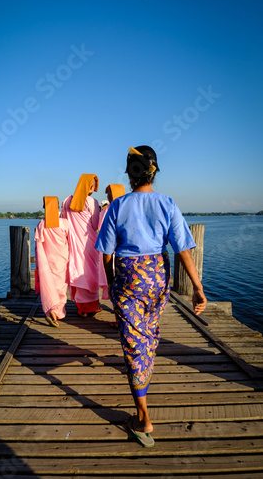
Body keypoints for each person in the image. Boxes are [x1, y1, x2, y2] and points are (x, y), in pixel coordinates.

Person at [95, 146, 207, 447]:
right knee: (148, 333)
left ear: (130, 174)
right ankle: (146, 366)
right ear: (153, 171)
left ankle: (143, 416)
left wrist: (112, 284)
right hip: (158, 279)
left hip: (128, 282)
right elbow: (182, 250)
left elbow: (106, 254)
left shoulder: (118, 207)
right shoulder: (166, 204)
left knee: (133, 343)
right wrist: (197, 286)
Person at [61, 174, 101, 317]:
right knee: (90, 272)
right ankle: (91, 307)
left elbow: (63, 221)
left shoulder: (67, 200)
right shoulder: (91, 201)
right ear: (90, 186)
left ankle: (81, 307)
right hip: (89, 242)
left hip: (72, 241)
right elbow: (96, 224)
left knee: (76, 269)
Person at [34, 196, 69, 327]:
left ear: (45, 207)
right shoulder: (65, 223)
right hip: (61, 258)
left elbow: (38, 245)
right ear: (58, 207)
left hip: (47, 260)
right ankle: (58, 311)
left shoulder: (41, 224)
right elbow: (69, 240)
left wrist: (38, 263)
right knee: (61, 286)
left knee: (50, 284)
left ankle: (52, 310)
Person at [98, 185, 125, 302]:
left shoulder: (106, 211)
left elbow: (100, 227)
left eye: (109, 195)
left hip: (111, 248)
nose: (108, 198)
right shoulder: (128, 208)